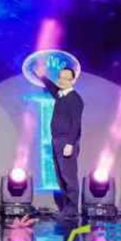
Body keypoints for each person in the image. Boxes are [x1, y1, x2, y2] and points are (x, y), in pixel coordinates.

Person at [37, 66, 84, 221]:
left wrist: (70, 144)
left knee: (69, 177)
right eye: (60, 77)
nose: (62, 81)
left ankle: (72, 209)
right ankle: (66, 209)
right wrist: (41, 76)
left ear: (73, 80)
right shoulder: (60, 95)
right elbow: (52, 87)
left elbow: (76, 123)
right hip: (57, 140)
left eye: (66, 78)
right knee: (60, 177)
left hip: (66, 142)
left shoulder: (75, 99)